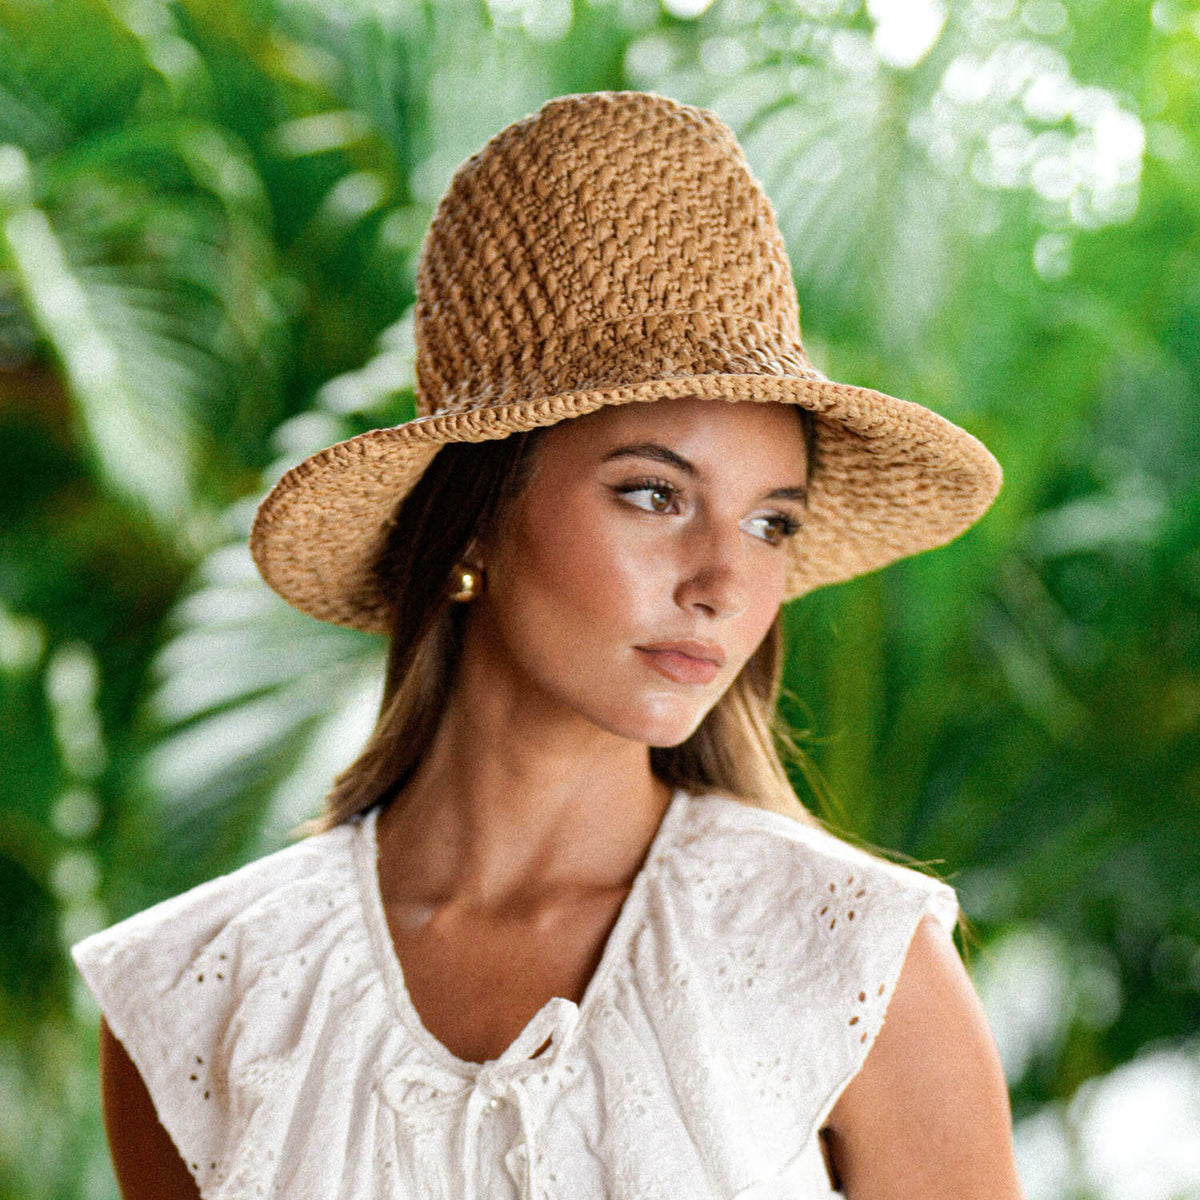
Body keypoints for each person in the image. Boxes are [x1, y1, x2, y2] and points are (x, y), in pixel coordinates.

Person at [73, 90, 1023, 1199]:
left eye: (772, 522)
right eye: (654, 495)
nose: (724, 581)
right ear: (474, 517)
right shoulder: (203, 995)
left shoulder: (851, 963)